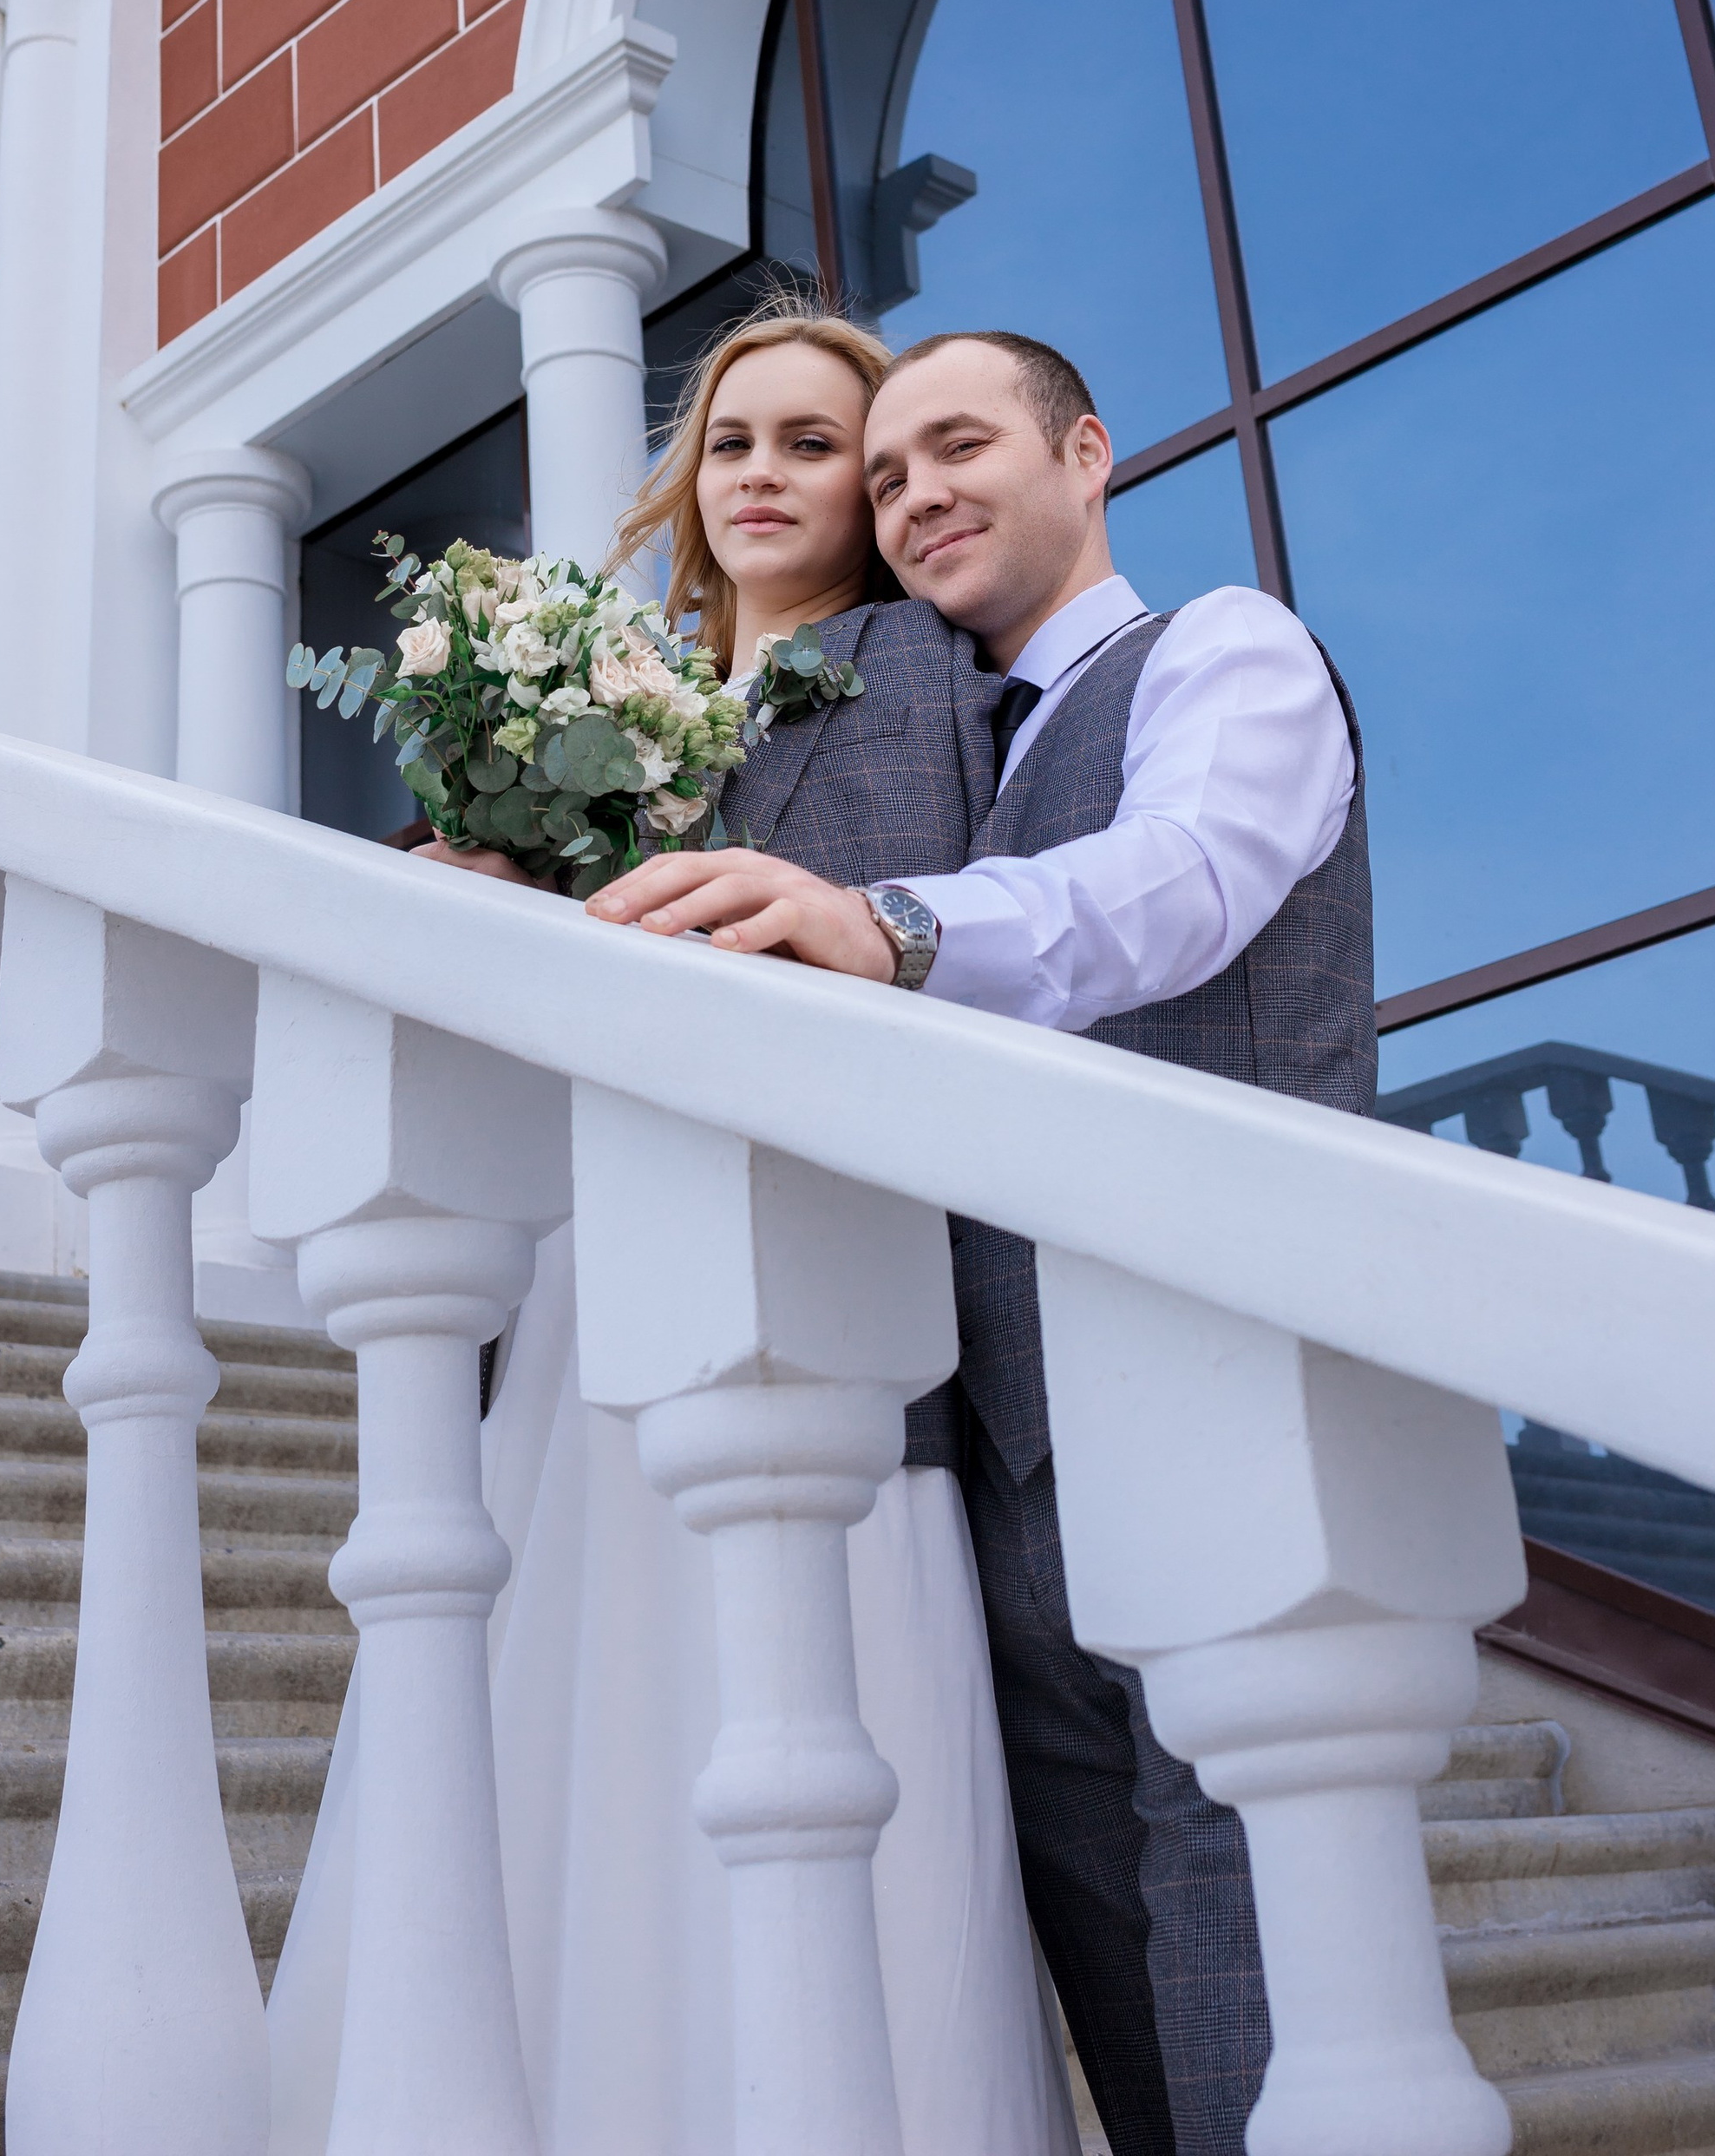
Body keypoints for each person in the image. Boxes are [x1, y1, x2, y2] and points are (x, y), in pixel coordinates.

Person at [267, 307, 1080, 2156]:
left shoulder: (896, 666)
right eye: (734, 443)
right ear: (687, 484)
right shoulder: (605, 702)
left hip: (790, 1265)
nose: (766, 476)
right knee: (565, 1731)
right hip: (590, 1280)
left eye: (816, 446)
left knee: (782, 1699)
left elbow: (847, 976)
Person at [592, 327, 1373, 2156]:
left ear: (1084, 454)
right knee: (1121, 1976)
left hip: (1210, 1376)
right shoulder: (920, 732)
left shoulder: (1222, 651)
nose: (912, 494)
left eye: (954, 448)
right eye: (887, 476)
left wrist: (892, 932)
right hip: (995, 1451)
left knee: (1257, 1931)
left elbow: (1175, 886)